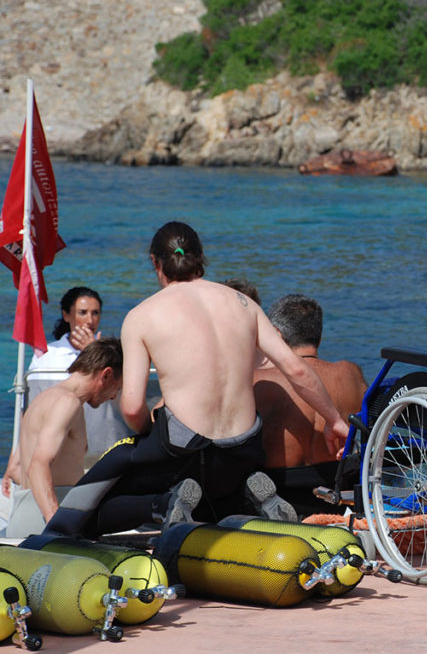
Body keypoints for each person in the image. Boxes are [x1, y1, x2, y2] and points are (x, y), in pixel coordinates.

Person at [44, 221, 350, 537]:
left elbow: (133, 407)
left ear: (155, 262)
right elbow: (297, 369)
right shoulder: (243, 304)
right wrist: (333, 420)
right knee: (211, 495)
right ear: (201, 258)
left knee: (95, 507)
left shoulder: (142, 315)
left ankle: (159, 506)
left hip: (183, 448)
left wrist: (149, 439)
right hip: (244, 449)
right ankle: (246, 495)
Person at [6, 338, 123, 537]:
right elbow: (38, 465)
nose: (113, 397)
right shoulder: (67, 402)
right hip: (44, 521)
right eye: (118, 388)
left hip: (24, 513)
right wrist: (57, 526)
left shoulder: (41, 400)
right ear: (107, 374)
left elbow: (15, 469)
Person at [20, 286, 134, 468]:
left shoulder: (113, 355)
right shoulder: (48, 356)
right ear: (66, 315)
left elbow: (123, 396)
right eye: (83, 312)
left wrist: (95, 351)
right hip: (62, 446)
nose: (90, 320)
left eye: (95, 313)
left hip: (103, 443)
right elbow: (30, 408)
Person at [255, 294, 367, 469]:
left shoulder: (259, 380)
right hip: (336, 483)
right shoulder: (351, 373)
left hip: (278, 486)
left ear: (276, 335)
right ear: (320, 338)